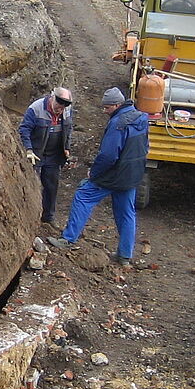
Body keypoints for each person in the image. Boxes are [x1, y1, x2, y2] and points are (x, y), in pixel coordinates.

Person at [50, 87, 149, 268]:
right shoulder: (141, 118)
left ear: (117, 105)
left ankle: (68, 239)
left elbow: (109, 155)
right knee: (127, 213)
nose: (105, 111)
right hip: (133, 175)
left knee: (83, 195)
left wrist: (94, 173)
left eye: (107, 108)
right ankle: (124, 255)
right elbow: (145, 146)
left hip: (114, 174)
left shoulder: (118, 123)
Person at [17, 86, 74, 225]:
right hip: (36, 153)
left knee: (51, 186)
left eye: (63, 107)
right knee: (32, 185)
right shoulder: (36, 108)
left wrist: (66, 147)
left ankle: (48, 217)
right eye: (58, 105)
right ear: (53, 97)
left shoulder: (66, 110)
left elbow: (68, 128)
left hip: (54, 155)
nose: (60, 109)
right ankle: (28, 217)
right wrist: (28, 150)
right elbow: (24, 129)